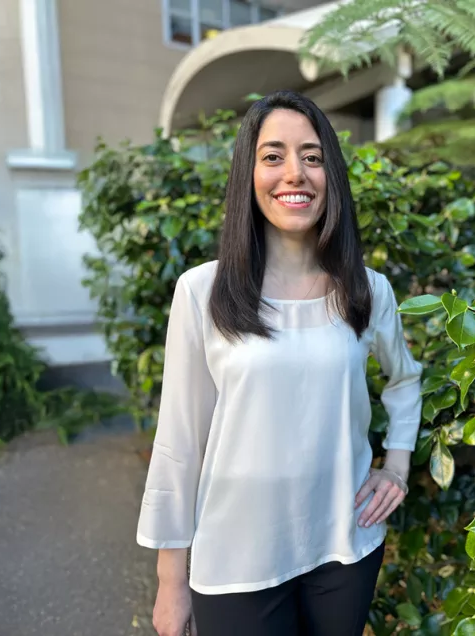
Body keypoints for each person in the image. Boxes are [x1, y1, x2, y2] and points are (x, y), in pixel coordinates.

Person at [137, 90, 425, 636]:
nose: (295, 173)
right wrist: (171, 581)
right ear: (249, 173)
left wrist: (397, 466)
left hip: (345, 546)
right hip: (234, 560)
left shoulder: (366, 290)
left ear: (330, 175)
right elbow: (179, 441)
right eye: (273, 156)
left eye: (312, 157)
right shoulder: (203, 291)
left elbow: (405, 380)